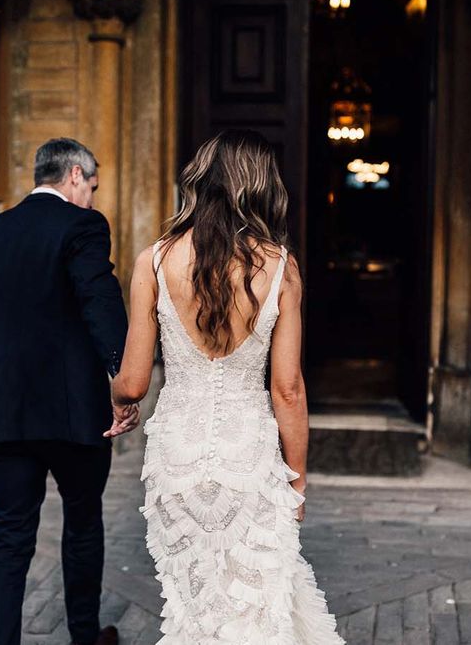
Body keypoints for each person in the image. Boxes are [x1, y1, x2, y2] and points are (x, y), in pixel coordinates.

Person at [110, 130, 344, 643]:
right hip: (250, 459)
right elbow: (288, 390)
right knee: (256, 607)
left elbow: (133, 381)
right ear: (261, 187)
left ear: (199, 182)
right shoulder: (280, 268)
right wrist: (297, 482)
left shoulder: (153, 260)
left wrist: (120, 403)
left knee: (195, 609)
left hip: (178, 459)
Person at [0, 137, 139, 645]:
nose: (95, 198)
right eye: (94, 186)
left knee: (9, 541)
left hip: (1, 413)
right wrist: (124, 382)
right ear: (75, 175)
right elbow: (99, 300)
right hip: (73, 414)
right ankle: (83, 638)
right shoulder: (83, 225)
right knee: (82, 525)